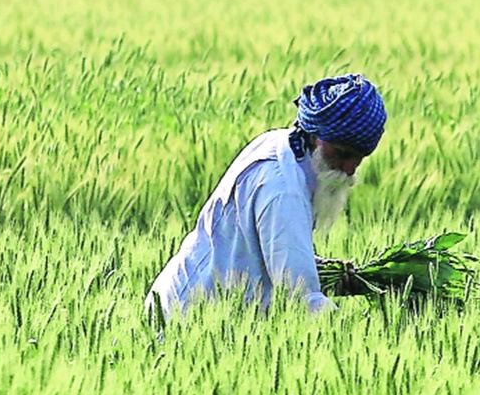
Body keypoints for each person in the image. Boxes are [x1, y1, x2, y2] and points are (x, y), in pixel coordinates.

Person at [145, 73, 386, 323]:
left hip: (200, 306)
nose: (349, 169)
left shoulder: (282, 144)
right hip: (190, 316)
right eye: (342, 154)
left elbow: (260, 244)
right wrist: (367, 329)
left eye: (359, 158)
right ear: (315, 136)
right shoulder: (283, 190)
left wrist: (324, 272)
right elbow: (300, 298)